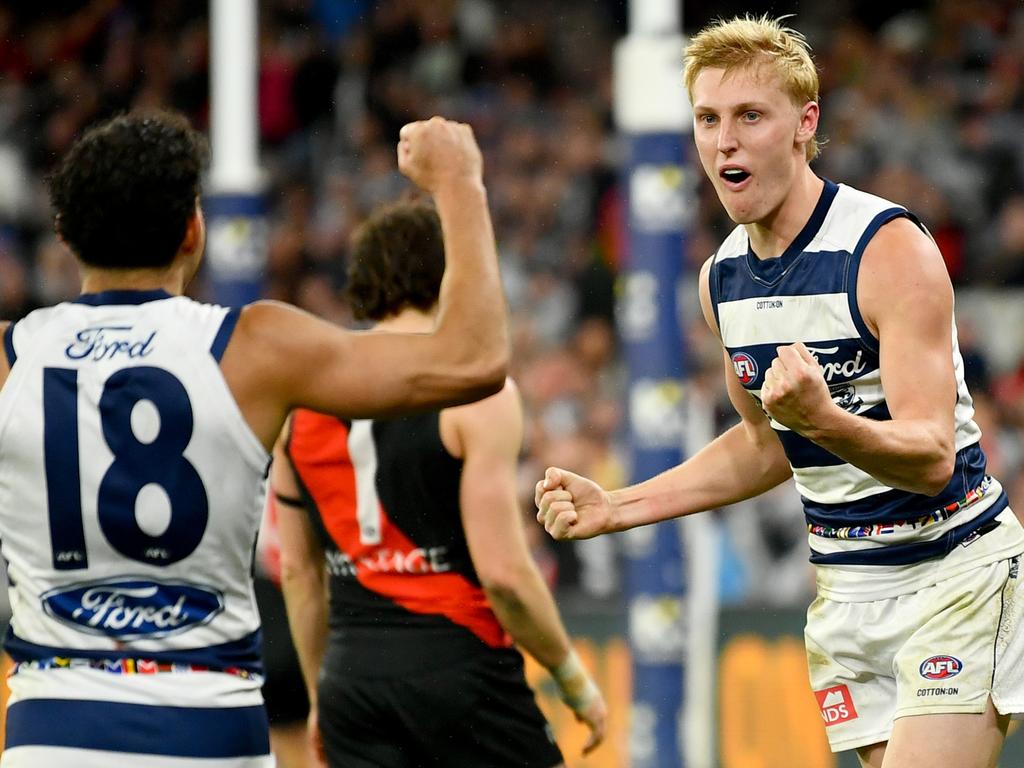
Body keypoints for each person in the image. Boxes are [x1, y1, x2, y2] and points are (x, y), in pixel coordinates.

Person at [536, 15, 1024, 768]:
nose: (723, 141)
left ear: (805, 124)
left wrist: (823, 419)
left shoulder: (886, 249)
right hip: (846, 591)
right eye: (707, 119)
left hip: (952, 568)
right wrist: (619, 505)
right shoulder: (721, 282)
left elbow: (931, 457)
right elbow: (767, 444)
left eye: (749, 116)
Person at [0, 109, 508, 767]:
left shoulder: (12, 358)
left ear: (63, 235)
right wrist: (460, 183)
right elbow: (475, 359)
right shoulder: (256, 348)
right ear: (193, 230)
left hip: (55, 726)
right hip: (211, 723)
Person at [271, 198, 607, 768]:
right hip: (460, 666)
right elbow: (504, 575)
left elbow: (301, 574)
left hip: (352, 678)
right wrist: (573, 680)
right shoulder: (475, 392)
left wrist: (322, 696)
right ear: (452, 276)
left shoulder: (300, 406)